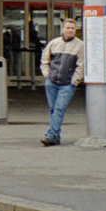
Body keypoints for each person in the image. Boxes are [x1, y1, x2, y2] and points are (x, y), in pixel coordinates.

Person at [39, 18, 84, 147]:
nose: (70, 30)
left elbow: (81, 65)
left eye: (73, 28)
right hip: (52, 82)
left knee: (59, 109)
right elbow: (45, 60)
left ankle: (50, 135)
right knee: (53, 109)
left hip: (67, 84)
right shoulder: (54, 43)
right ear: (63, 29)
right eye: (68, 28)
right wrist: (47, 75)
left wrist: (74, 81)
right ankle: (56, 137)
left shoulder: (80, 45)